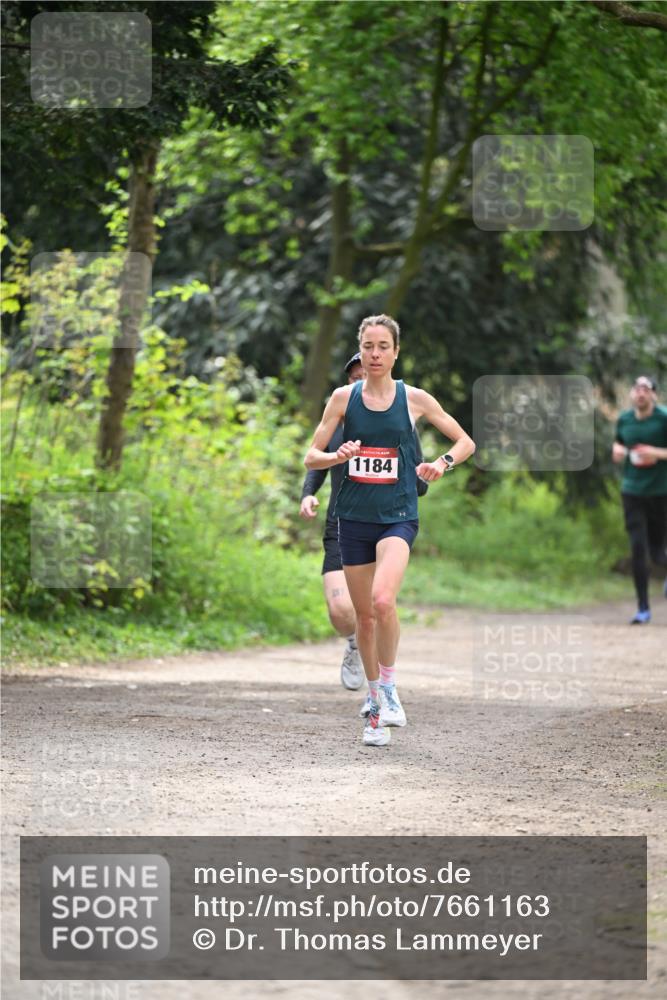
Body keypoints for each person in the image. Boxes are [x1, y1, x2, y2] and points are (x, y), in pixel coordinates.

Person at [304, 314, 475, 747]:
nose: (375, 354)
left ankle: (391, 689)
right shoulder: (343, 398)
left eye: (383, 346)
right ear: (360, 349)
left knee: (383, 601)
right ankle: (376, 705)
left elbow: (464, 441)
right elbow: (310, 455)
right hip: (353, 519)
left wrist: (441, 464)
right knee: (363, 618)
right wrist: (335, 456)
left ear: (396, 352)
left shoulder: (414, 398)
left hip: (398, 515)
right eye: (368, 346)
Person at [300, 352, 429, 692]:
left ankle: (380, 679)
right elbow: (316, 458)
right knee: (340, 609)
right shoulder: (339, 416)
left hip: (385, 520)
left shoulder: (397, 421)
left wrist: (420, 475)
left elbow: (418, 472)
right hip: (341, 522)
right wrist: (308, 494)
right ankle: (355, 642)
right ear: (349, 383)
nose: (362, 381)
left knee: (377, 602)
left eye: (366, 376)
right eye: (355, 377)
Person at [612, 374, 667, 624]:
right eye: (637, 388)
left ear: (654, 394)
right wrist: (617, 451)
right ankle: (643, 608)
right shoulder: (624, 420)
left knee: (658, 553)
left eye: (646, 389)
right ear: (633, 394)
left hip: (661, 492)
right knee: (637, 549)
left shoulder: (663, 419)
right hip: (632, 491)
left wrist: (654, 453)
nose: (641, 393)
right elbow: (619, 445)